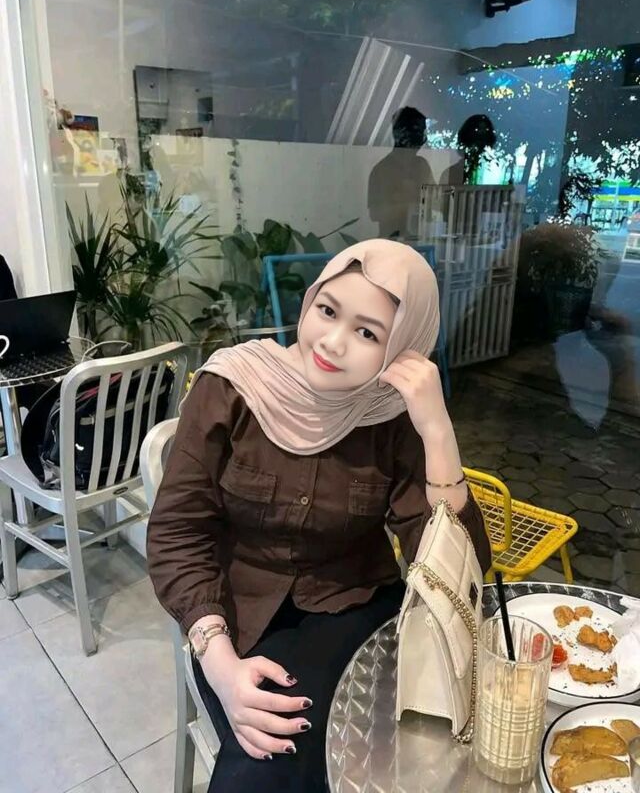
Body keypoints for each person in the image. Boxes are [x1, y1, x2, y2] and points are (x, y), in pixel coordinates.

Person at [146, 239, 491, 793]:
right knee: (272, 757)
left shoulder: (390, 414)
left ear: (402, 350)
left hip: (353, 608)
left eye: (368, 333)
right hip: (235, 615)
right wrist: (219, 663)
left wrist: (438, 432)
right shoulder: (232, 387)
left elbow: (459, 567)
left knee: (397, 754)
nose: (332, 341)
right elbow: (178, 531)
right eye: (327, 311)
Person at [368, 107, 436, 239]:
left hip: (419, 241)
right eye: (417, 131)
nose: (423, 138)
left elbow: (435, 201)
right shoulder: (382, 170)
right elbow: (375, 214)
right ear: (401, 134)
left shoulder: (422, 165)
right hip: (391, 242)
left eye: (422, 132)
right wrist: (409, 203)